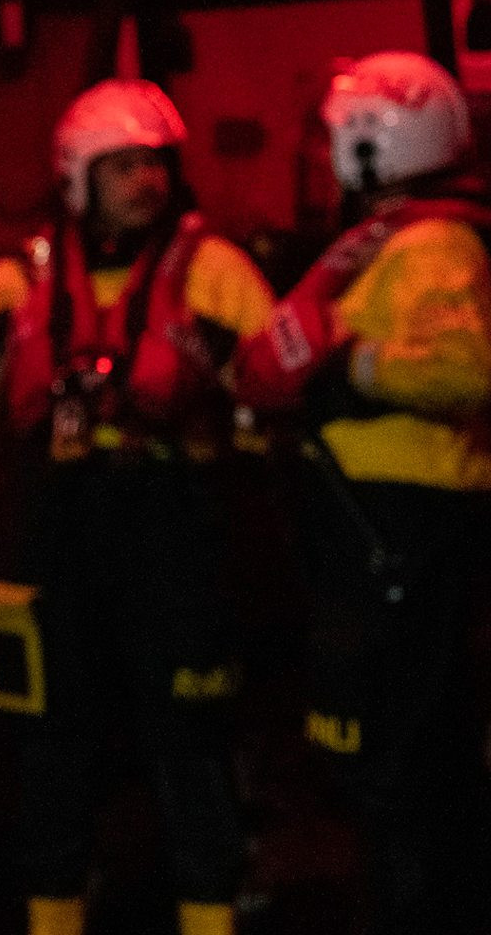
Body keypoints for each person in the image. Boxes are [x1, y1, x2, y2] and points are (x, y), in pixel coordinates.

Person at [0, 80, 273, 935]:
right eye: (122, 167)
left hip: (173, 532)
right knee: (50, 746)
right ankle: (54, 918)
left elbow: (272, 392)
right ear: (77, 178)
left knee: (191, 743)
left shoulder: (214, 272)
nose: (145, 183)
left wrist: (222, 360)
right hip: (54, 533)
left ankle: (211, 917)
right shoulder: (18, 281)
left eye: (154, 165)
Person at [233, 51, 491, 935]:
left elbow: (464, 366)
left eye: (338, 137)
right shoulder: (397, 237)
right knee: (392, 755)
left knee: (406, 761)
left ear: (374, 146)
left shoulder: (430, 246)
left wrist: (349, 366)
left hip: (405, 529)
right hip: (374, 526)